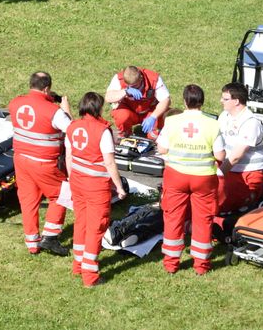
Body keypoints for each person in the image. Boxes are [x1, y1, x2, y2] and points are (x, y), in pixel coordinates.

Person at [156, 84, 221, 275]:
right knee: (203, 219)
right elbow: (220, 154)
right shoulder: (213, 124)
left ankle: (171, 263)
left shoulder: (172, 121)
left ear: (184, 101)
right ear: (202, 102)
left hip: (176, 176)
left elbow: (162, 149)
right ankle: (201, 265)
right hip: (204, 179)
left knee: (173, 217)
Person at [65, 92, 126, 287]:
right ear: (98, 108)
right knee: (95, 228)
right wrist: (119, 187)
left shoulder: (72, 127)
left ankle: (78, 264)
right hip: (96, 187)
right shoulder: (102, 131)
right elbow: (109, 162)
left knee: (81, 222)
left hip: (77, 182)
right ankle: (90, 275)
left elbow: (69, 157)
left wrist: (71, 178)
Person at [9, 71, 71, 256]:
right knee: (61, 194)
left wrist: (46, 99)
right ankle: (50, 237)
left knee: (28, 200)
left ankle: (32, 243)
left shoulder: (15, 103)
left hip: (20, 160)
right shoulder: (54, 112)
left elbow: (33, 111)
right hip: (44, 162)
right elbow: (73, 131)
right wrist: (65, 108)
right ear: (47, 88)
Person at [214, 82, 263, 213]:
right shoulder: (224, 116)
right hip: (229, 168)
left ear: (236, 101)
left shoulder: (250, 123)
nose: (221, 101)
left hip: (247, 174)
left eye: (225, 99)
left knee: (221, 202)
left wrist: (219, 174)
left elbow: (237, 156)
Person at [105, 65, 171, 139]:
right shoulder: (119, 78)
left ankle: (154, 138)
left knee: (163, 119)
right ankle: (125, 134)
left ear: (141, 79)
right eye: (129, 86)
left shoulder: (153, 79)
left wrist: (153, 117)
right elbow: (108, 97)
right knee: (122, 116)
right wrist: (125, 91)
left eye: (135, 86)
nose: (132, 88)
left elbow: (166, 100)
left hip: (150, 111)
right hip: (129, 111)